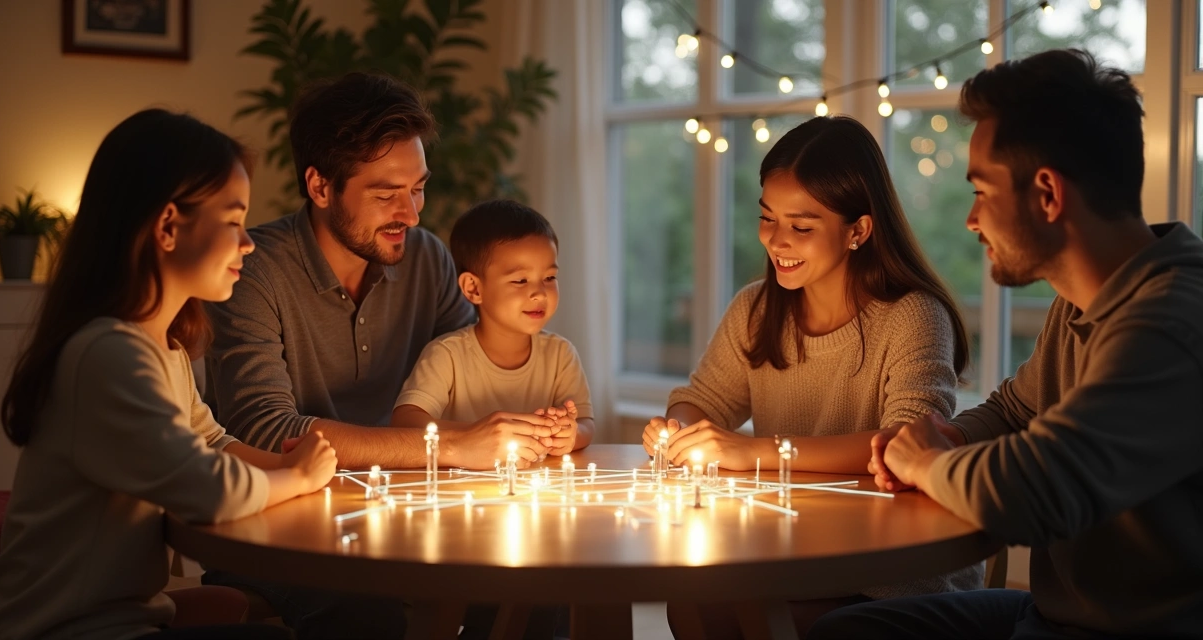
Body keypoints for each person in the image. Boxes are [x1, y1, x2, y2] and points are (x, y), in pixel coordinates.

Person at [809, 49, 1203, 640]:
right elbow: (1018, 410)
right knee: (842, 632)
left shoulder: (1173, 320)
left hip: (1132, 633)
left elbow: (1039, 491)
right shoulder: (1084, 296)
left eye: (982, 191)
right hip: (1050, 612)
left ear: (1047, 194)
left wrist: (926, 460)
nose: (971, 220)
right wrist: (953, 434)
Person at [202, 71, 560, 639]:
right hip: (281, 525)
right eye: (386, 193)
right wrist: (453, 445)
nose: (412, 213)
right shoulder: (254, 272)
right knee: (363, 611)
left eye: (418, 188)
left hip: (409, 516)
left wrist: (541, 422)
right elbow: (268, 429)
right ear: (320, 187)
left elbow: (472, 378)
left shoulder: (426, 258)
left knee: (537, 589)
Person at [0, 109, 337, 640]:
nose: (248, 243)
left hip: (126, 616)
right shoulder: (107, 355)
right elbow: (206, 488)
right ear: (169, 226)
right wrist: (297, 478)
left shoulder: (163, 347)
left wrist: (303, 471)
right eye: (233, 221)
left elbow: (209, 441)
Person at [643, 115, 981, 637]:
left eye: (801, 227)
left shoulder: (912, 315)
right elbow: (701, 399)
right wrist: (681, 429)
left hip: (891, 573)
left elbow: (912, 443)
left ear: (858, 230)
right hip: (789, 551)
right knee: (691, 604)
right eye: (767, 218)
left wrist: (751, 450)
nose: (777, 241)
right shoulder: (755, 309)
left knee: (754, 618)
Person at [393, 199, 594, 459]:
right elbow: (405, 421)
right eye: (520, 280)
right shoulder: (446, 355)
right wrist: (476, 437)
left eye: (549, 278)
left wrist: (570, 435)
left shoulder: (561, 355)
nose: (539, 292)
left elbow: (586, 423)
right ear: (474, 289)